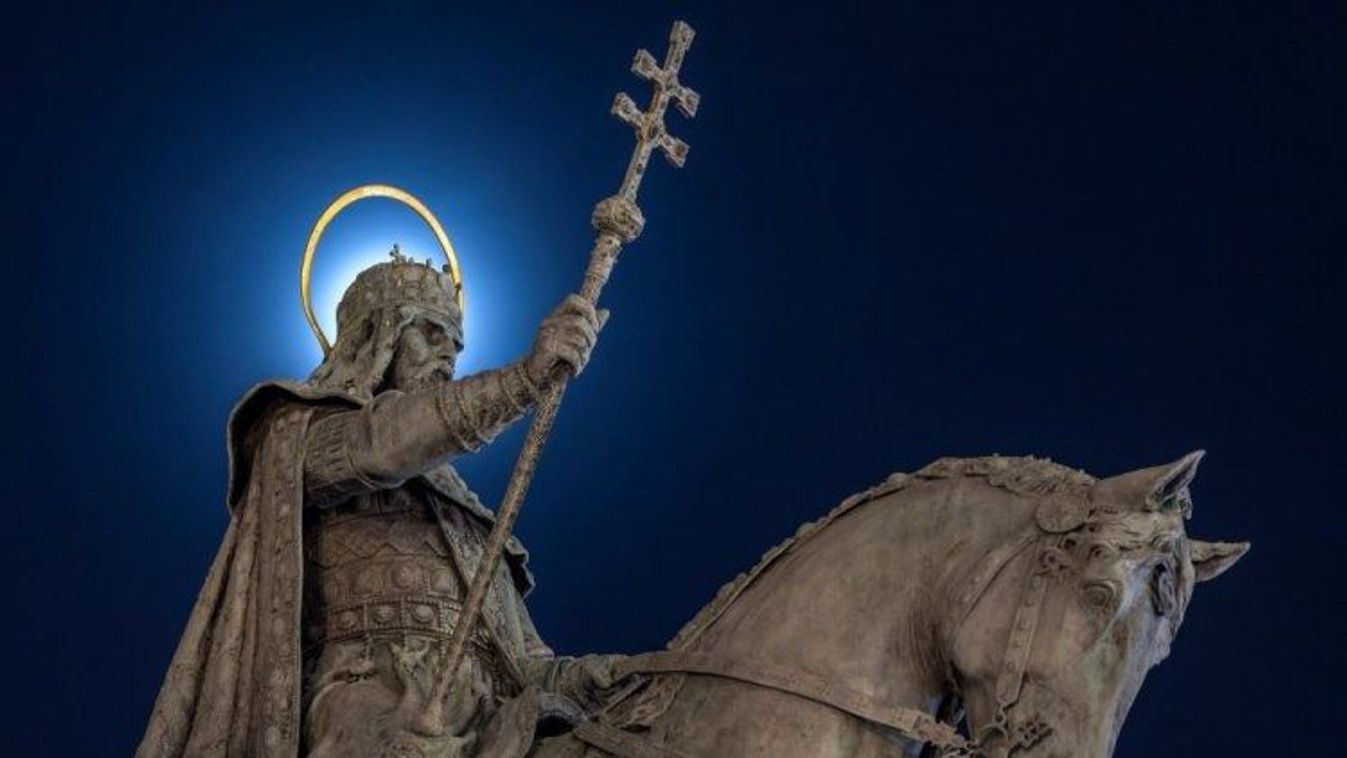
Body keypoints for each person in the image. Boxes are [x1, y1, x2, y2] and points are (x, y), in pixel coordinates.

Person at [138, 248, 622, 757]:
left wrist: (610, 676)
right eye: (430, 332)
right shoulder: (303, 435)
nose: (449, 354)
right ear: (376, 337)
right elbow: (385, 444)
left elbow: (526, 666)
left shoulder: (466, 517)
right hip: (364, 709)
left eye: (456, 342)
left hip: (491, 716)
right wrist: (524, 379)